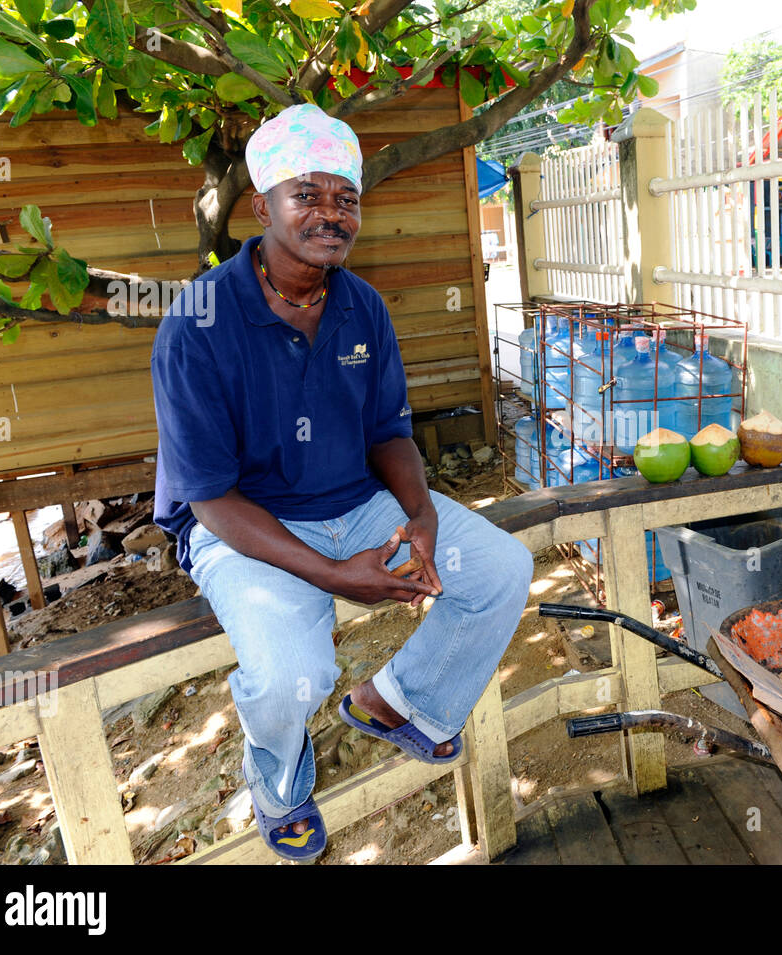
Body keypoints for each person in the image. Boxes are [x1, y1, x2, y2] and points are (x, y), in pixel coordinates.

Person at [150, 103, 533, 862]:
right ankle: (277, 779)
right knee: (293, 671)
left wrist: (420, 513)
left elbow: (389, 431)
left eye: (346, 197)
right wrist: (331, 575)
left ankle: (396, 701)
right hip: (242, 528)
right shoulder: (196, 322)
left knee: (498, 568)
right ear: (262, 206)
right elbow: (210, 497)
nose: (331, 212)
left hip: (356, 505)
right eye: (308, 194)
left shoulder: (362, 306)